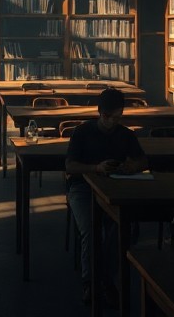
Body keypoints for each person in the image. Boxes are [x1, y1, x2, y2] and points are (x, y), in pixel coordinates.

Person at [64, 86, 148, 305]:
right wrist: (96, 168)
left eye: (117, 117)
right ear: (99, 112)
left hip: (115, 187)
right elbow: (70, 166)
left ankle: (104, 279)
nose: (112, 122)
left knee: (121, 229)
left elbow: (143, 160)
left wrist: (133, 167)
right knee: (91, 230)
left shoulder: (126, 135)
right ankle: (91, 283)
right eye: (108, 116)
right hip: (82, 187)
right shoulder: (82, 132)